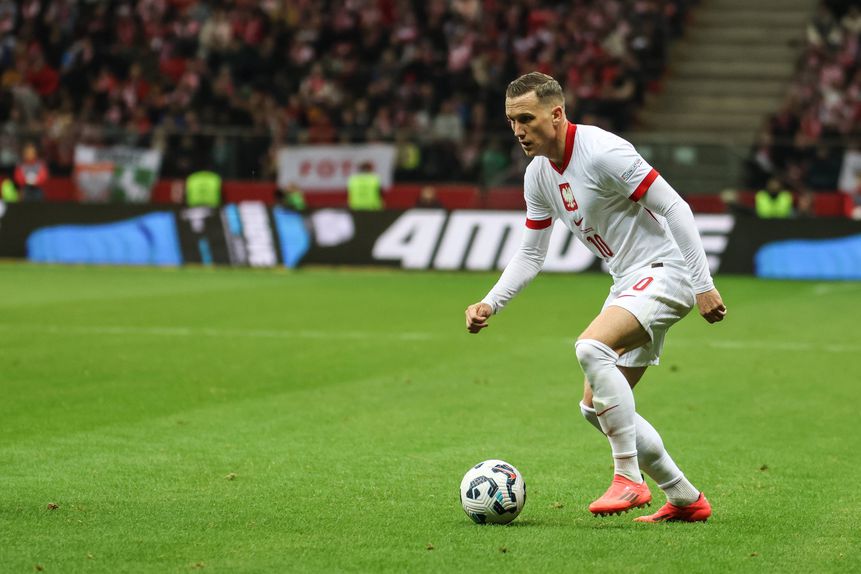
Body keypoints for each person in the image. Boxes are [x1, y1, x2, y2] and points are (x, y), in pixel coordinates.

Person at [464, 72, 726, 523]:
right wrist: (491, 302)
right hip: (628, 281)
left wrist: (703, 284)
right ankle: (684, 497)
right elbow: (531, 254)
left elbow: (675, 207)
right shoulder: (538, 175)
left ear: (556, 114)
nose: (517, 130)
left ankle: (628, 478)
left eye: (526, 119)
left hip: (666, 271)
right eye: (511, 121)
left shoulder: (603, 152)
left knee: (590, 347)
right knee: (594, 407)